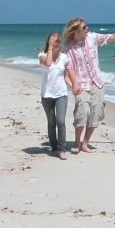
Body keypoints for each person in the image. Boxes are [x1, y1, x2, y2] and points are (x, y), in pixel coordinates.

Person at [62, 17, 115, 154]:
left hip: (97, 83)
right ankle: (77, 142)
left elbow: (112, 37)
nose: (87, 28)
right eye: (84, 27)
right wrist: (74, 85)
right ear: (76, 30)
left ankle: (85, 143)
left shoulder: (92, 37)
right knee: (82, 112)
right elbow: (69, 68)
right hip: (81, 85)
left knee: (95, 114)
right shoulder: (67, 47)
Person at [39, 32, 76, 160]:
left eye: (58, 41)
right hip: (47, 95)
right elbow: (48, 63)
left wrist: (74, 86)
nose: (56, 43)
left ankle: (61, 149)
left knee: (61, 121)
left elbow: (65, 76)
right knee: (51, 122)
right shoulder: (42, 56)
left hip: (61, 94)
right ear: (48, 42)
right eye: (53, 41)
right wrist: (50, 47)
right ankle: (54, 148)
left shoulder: (65, 57)